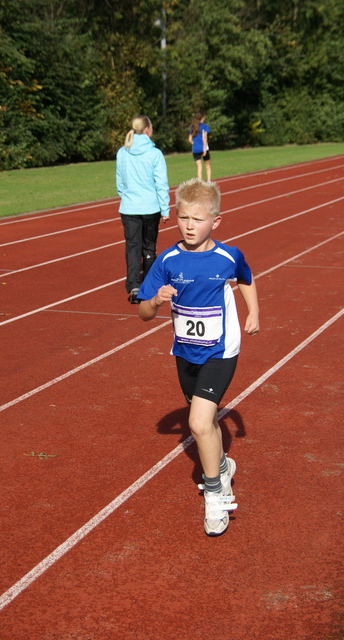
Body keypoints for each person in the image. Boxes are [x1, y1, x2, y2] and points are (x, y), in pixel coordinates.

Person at [138, 178, 259, 536]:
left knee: (198, 423)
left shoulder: (227, 256)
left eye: (198, 219)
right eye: (184, 218)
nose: (190, 226)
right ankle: (222, 464)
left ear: (215, 222)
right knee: (201, 420)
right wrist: (156, 301)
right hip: (186, 352)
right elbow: (143, 313)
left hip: (222, 349)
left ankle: (217, 494)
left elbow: (247, 278)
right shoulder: (167, 261)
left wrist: (253, 313)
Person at [116, 115, 170, 304]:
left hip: (129, 207)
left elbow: (120, 182)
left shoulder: (122, 152)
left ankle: (133, 285)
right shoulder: (155, 154)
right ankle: (148, 285)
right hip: (150, 207)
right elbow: (161, 183)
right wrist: (165, 208)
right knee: (149, 247)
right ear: (147, 130)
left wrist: (128, 197)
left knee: (132, 247)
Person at [188, 110, 212, 182]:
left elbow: (189, 139)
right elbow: (205, 138)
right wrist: (204, 149)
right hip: (204, 148)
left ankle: (200, 183)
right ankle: (208, 181)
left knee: (199, 167)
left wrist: (194, 144)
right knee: (207, 165)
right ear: (203, 118)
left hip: (195, 149)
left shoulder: (192, 127)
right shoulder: (205, 127)